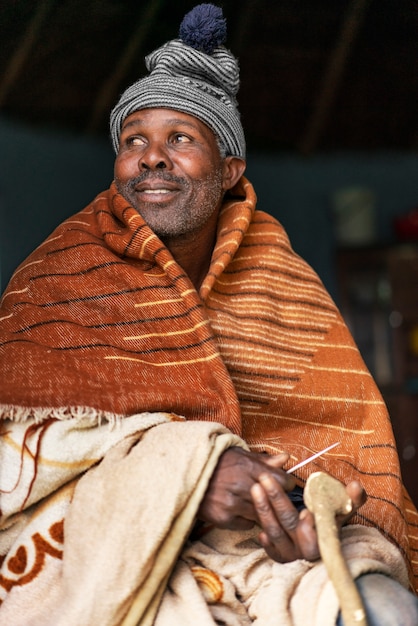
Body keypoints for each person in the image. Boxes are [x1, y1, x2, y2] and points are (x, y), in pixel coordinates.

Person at [0, 4, 417, 625]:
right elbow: (16, 456)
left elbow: (338, 443)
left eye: (181, 139)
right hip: (98, 543)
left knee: (385, 603)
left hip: (260, 552)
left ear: (230, 172)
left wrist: (313, 508)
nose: (152, 157)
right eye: (133, 139)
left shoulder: (285, 283)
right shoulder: (52, 281)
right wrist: (190, 473)